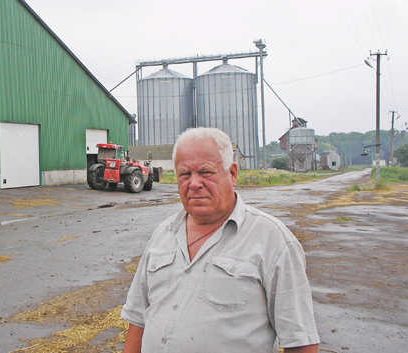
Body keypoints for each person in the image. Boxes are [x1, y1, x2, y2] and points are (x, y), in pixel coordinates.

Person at [121, 127, 320, 353]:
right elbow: (138, 319)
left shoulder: (273, 241)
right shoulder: (162, 234)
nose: (194, 183)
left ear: (233, 174)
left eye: (205, 172)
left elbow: (301, 342)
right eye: (185, 174)